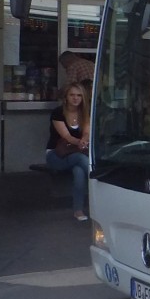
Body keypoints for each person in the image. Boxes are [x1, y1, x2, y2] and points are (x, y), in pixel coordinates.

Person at [46, 80, 91, 221]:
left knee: (78, 170)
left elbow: (87, 132)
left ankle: (78, 210)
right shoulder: (58, 112)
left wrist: (84, 138)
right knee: (81, 159)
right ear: (66, 97)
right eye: (72, 95)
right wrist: (81, 142)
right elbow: (66, 136)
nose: (76, 98)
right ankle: (97, 177)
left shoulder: (85, 113)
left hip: (77, 153)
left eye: (79, 95)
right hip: (56, 154)